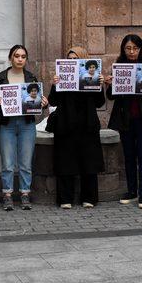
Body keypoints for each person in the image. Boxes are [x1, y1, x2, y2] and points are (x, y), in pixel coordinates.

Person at [0, 45, 48, 211]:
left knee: (25, 163)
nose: (20, 59)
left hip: (27, 125)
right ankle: (7, 195)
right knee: (7, 162)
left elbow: (37, 103)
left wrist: (44, 104)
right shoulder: (0, 77)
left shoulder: (31, 78)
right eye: (16, 56)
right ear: (11, 58)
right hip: (6, 125)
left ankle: (25, 194)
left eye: (23, 56)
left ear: (26, 59)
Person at [105, 34, 142, 209]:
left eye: (135, 48)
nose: (131, 52)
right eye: (128, 48)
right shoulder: (119, 67)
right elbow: (111, 97)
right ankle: (131, 191)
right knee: (129, 157)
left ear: (140, 49)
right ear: (123, 49)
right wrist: (110, 84)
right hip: (125, 119)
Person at [50, 47, 105, 209]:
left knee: (89, 162)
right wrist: (55, 85)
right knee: (65, 161)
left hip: (87, 125)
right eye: (70, 59)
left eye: (76, 59)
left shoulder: (91, 76)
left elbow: (99, 103)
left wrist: (99, 85)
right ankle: (65, 198)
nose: (73, 62)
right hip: (65, 124)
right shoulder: (62, 78)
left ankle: (89, 197)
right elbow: (53, 101)